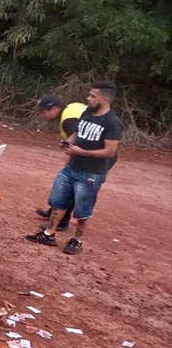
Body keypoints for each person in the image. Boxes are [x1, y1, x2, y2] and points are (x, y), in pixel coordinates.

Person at [26, 81, 123, 255]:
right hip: (73, 166)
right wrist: (69, 142)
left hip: (92, 171)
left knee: (83, 208)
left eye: (93, 96)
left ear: (105, 99)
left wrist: (80, 151)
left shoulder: (112, 122)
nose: (88, 98)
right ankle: (49, 234)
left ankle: (77, 240)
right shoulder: (87, 112)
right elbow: (78, 132)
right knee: (59, 201)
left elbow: (110, 152)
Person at [34, 95, 87, 230]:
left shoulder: (68, 119)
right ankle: (54, 213)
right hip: (89, 152)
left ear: (55, 108)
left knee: (69, 182)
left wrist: (68, 164)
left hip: (93, 155)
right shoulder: (70, 111)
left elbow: (79, 142)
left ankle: (62, 221)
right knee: (67, 181)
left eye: (44, 111)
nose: (42, 115)